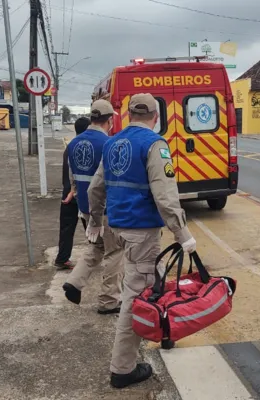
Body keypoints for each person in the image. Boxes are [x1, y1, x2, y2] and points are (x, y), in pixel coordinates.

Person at [86, 93, 197, 389]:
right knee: (135, 297)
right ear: (156, 117)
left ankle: (165, 333)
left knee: (153, 283)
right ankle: (122, 368)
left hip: (118, 226)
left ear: (126, 115)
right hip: (142, 232)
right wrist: (182, 233)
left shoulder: (112, 143)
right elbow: (165, 196)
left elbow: (95, 188)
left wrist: (96, 220)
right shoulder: (154, 145)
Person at [62, 100, 123, 315]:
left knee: (97, 247)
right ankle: (109, 300)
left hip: (85, 209)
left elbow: (72, 179)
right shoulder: (109, 144)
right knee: (115, 252)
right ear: (109, 120)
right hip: (105, 208)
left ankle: (74, 282)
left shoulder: (73, 143)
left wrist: (81, 201)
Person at [54, 117, 91, 269]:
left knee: (66, 229)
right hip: (82, 194)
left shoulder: (70, 147)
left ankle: (62, 259)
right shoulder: (86, 147)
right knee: (92, 229)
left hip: (68, 194)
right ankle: (96, 256)